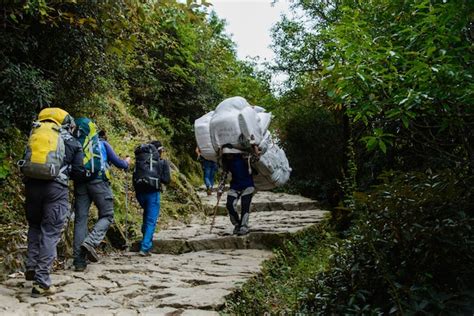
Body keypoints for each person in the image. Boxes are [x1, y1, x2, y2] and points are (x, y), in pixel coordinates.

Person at [20, 108, 86, 297]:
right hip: (55, 190)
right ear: (67, 123)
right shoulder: (73, 142)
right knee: (50, 232)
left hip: (32, 186)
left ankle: (31, 266)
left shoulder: (36, 134)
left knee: (34, 226)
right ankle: (42, 282)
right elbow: (79, 171)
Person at [72, 126, 130, 271]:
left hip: (80, 183)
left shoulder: (76, 143)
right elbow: (120, 163)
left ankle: (79, 262)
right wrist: (127, 162)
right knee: (107, 214)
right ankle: (90, 242)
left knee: (80, 219)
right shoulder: (103, 144)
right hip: (99, 183)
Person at [133, 140, 171, 256]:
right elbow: (166, 180)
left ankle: (145, 239)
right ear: (159, 151)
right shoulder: (162, 162)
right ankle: (145, 247)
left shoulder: (140, 160)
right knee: (151, 220)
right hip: (153, 193)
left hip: (139, 193)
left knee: (146, 216)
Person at [219, 145, 255, 236]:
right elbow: (224, 175)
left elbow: (255, 159)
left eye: (229, 154)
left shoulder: (244, 157)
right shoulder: (226, 162)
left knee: (245, 205)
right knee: (230, 204)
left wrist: (254, 148)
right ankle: (237, 224)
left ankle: (244, 226)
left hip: (248, 185)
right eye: (226, 155)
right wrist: (220, 189)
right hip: (235, 186)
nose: (228, 156)